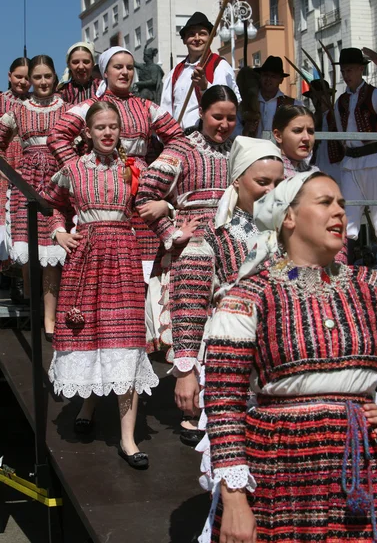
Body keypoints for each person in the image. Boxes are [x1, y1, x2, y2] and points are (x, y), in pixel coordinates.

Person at [201, 172, 377, 543]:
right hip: (281, 465)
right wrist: (235, 498)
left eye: (341, 203)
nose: (339, 212)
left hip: (365, 464)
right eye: (325, 203)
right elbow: (223, 401)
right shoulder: (250, 295)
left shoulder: (372, 286)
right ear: (288, 217)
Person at [43, 101, 158, 469]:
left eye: (113, 127)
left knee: (124, 341)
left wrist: (170, 218)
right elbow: (52, 206)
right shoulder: (72, 169)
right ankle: (89, 403)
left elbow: (155, 204)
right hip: (85, 258)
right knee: (87, 333)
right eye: (100, 127)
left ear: (120, 131)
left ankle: (128, 439)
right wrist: (59, 232)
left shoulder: (134, 168)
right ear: (87, 133)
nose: (107, 133)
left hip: (123, 257)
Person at [171, 137, 283, 446]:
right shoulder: (211, 237)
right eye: (263, 181)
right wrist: (186, 371)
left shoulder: (293, 232)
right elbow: (188, 305)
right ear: (237, 179)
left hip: (286, 364)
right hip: (232, 365)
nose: (272, 190)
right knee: (234, 452)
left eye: (279, 182)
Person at [48, 46, 186, 267]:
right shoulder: (92, 106)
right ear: (105, 72)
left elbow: (178, 138)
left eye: (130, 67)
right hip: (101, 184)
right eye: (118, 67)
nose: (125, 72)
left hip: (140, 186)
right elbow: (57, 136)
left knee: (144, 260)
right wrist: (78, 169)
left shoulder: (146, 106)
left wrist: (157, 171)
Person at [136, 85, 238, 358]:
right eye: (218, 116)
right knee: (190, 325)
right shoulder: (182, 148)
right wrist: (171, 232)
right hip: (192, 246)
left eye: (231, 118)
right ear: (202, 112)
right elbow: (145, 195)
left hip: (234, 246)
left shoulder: (240, 149)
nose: (225, 124)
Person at [0, 55, 67, 338]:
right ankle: (32, 306)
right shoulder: (17, 110)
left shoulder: (69, 108)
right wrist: (7, 174)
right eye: (36, 77)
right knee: (29, 253)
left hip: (56, 180)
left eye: (46, 76)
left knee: (52, 253)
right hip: (26, 181)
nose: (41, 82)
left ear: (54, 78)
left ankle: (49, 320)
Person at [334, 47, 377, 266]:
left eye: (350, 70)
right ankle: (346, 270)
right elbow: (340, 134)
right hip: (350, 163)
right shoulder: (341, 102)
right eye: (343, 71)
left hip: (375, 161)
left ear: (360, 69)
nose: (346, 75)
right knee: (348, 217)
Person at [160, 12, 240, 130]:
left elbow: (227, 105)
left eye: (202, 34)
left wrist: (205, 87)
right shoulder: (175, 72)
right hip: (179, 139)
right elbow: (166, 108)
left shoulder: (220, 66)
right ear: (184, 40)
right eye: (191, 34)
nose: (197, 38)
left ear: (210, 38)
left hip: (206, 138)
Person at [0, 57, 30, 292]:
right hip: (3, 167)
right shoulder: (0, 100)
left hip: (27, 169)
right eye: (18, 76)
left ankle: (23, 284)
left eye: (26, 77)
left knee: (22, 224)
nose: (23, 81)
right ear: (9, 75)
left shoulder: (34, 103)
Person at [235, 56, 303, 139]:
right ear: (260, 77)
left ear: (281, 80)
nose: (268, 79)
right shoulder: (245, 105)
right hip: (253, 150)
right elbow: (232, 131)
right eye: (265, 75)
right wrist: (244, 130)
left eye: (273, 76)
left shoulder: (293, 105)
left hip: (279, 151)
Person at [302, 78, 343, 183]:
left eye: (320, 96)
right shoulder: (311, 118)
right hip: (317, 162)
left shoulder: (337, 114)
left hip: (336, 163)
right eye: (314, 97)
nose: (316, 100)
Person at [272, 105, 318, 177]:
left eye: (310, 131)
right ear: (278, 135)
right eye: (297, 131)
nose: (306, 138)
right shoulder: (270, 173)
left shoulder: (315, 174)